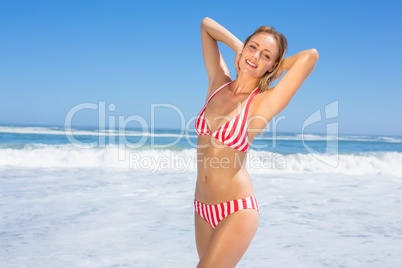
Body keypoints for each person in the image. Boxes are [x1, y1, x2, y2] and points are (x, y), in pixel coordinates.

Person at [194, 17, 319, 267]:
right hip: (201, 207)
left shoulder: (263, 103)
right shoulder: (218, 83)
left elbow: (310, 57)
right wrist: (240, 48)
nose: (255, 56)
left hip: (236, 210)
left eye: (265, 55)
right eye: (253, 47)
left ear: (272, 66)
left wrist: (274, 66)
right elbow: (207, 26)